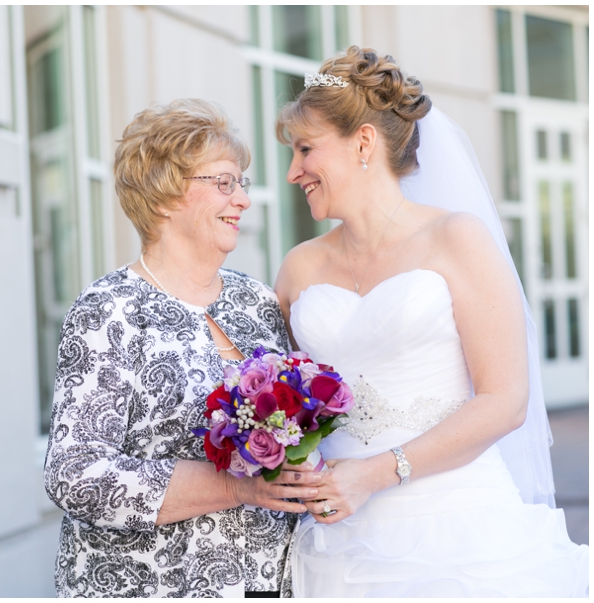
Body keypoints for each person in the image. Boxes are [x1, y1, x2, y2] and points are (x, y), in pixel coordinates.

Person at [274, 46, 589, 597]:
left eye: (305, 149)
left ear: (364, 142)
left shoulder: (457, 239)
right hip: (337, 544)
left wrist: (372, 475)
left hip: (461, 532)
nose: (292, 171)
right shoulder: (299, 266)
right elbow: (285, 398)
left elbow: (505, 401)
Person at [44, 99, 317, 598]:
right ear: (165, 193)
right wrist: (238, 487)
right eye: (223, 182)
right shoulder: (110, 309)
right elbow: (74, 473)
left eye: (242, 184)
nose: (242, 200)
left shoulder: (255, 302)